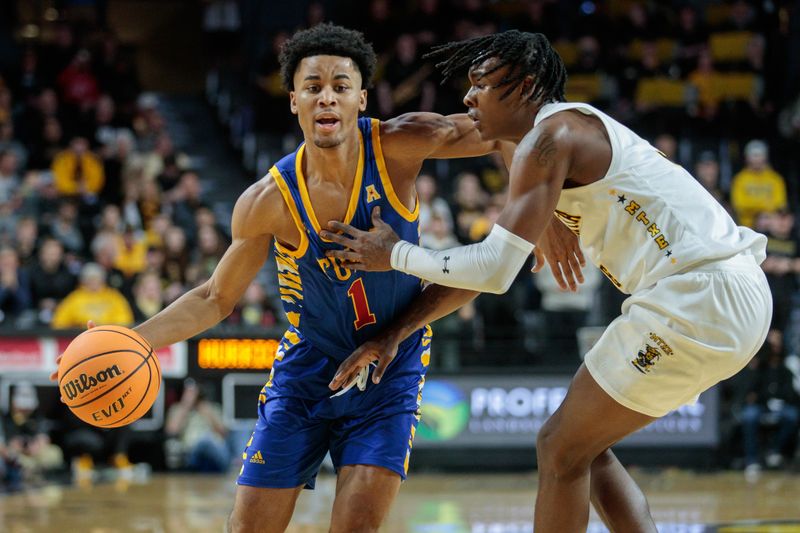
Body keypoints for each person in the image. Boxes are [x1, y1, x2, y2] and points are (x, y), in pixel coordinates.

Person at [51, 24, 581, 532]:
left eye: (340, 86)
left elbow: (510, 130)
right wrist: (134, 340)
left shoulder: (402, 145)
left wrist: (541, 211)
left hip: (389, 368)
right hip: (308, 369)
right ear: (294, 101)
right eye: (313, 87)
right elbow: (215, 299)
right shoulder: (266, 200)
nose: (327, 98)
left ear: (361, 99)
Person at [325, 30, 772, 533]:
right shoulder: (555, 135)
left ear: (526, 85)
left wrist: (396, 254)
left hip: (697, 292)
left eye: (481, 84)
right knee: (581, 448)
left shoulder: (552, 137)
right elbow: (484, 145)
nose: (468, 96)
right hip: (725, 294)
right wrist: (395, 332)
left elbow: (493, 269)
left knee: (558, 447)